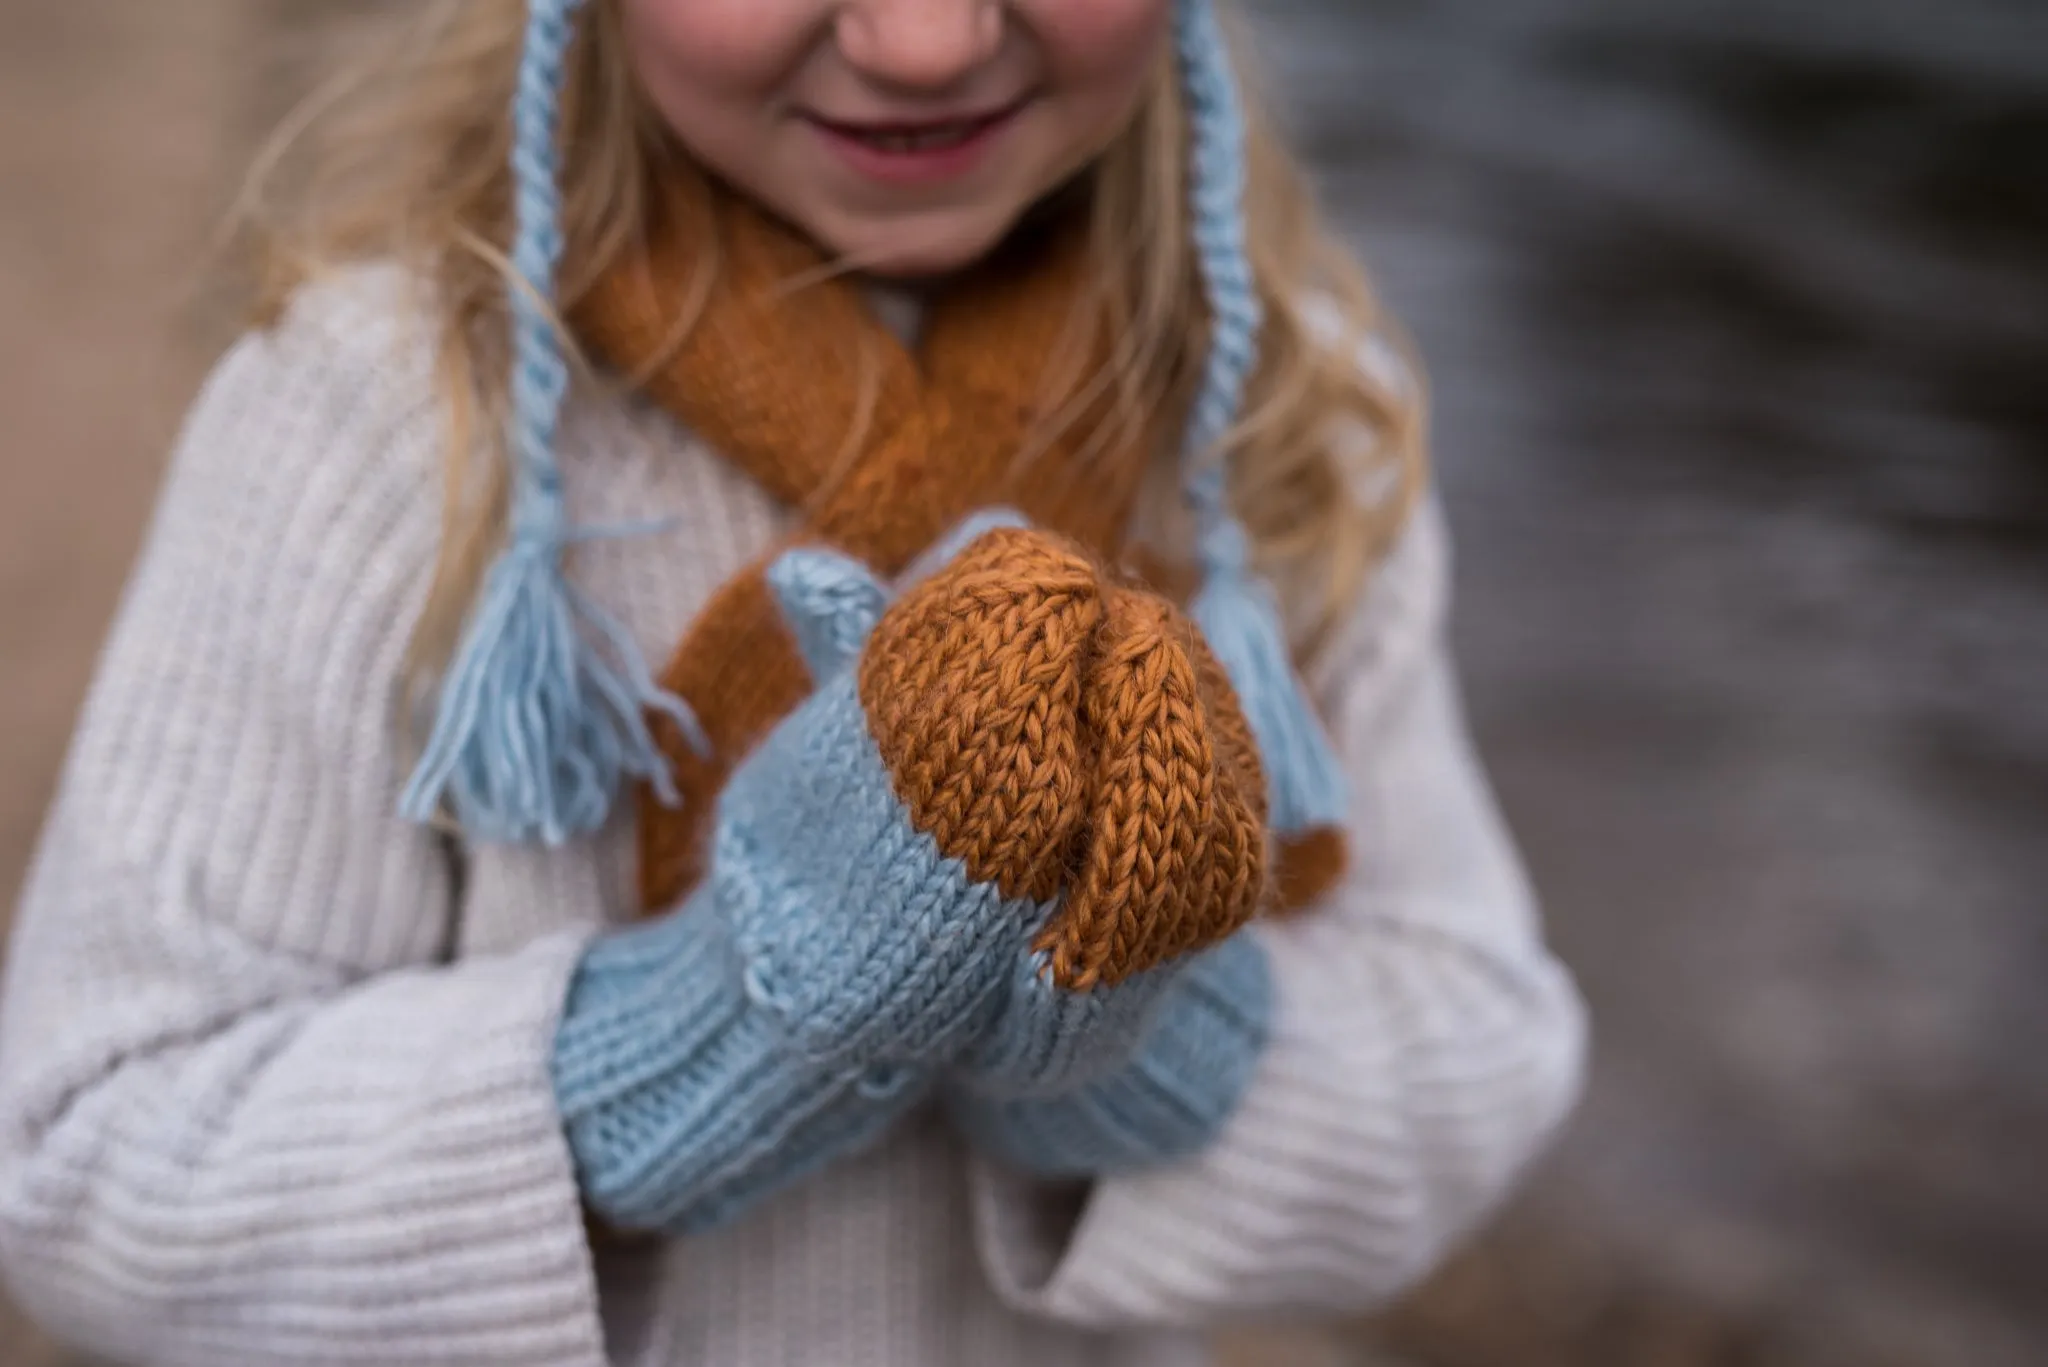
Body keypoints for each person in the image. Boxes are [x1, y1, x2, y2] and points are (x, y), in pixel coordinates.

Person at [0, 1, 1586, 1364]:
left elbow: (1480, 1042)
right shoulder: (388, 422)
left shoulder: (1279, 426)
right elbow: (81, 1157)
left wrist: (1140, 1050)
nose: (926, 40)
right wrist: (721, 1029)